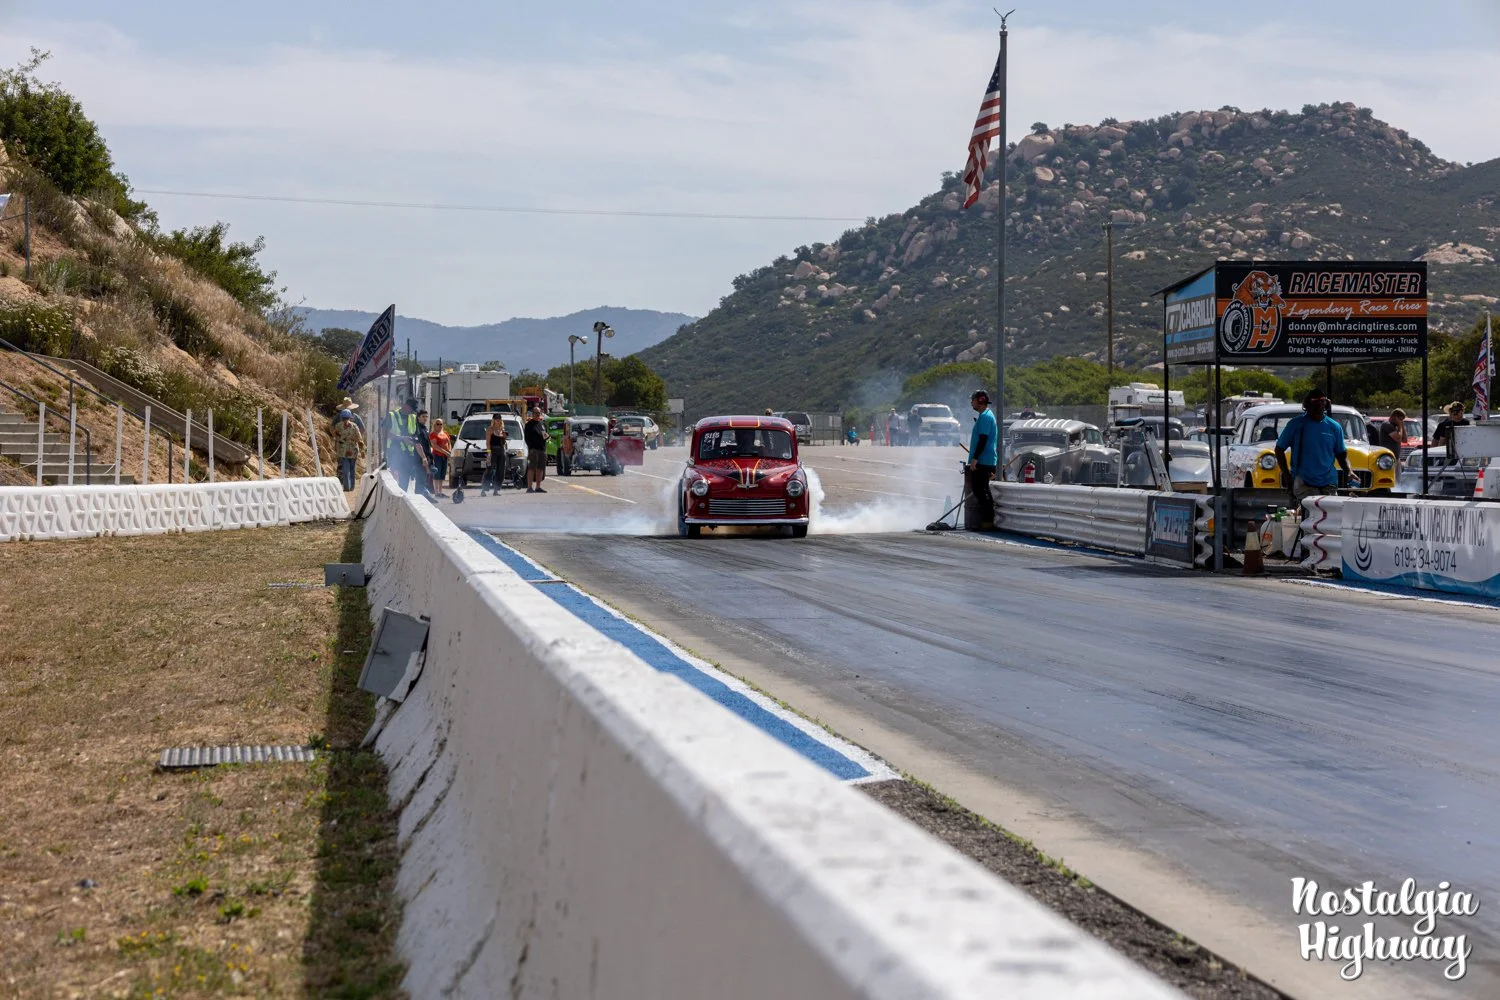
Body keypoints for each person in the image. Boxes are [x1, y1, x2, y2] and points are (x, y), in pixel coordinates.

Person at [1275, 390, 1355, 507]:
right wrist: (1287, 476)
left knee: (1329, 515)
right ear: (1307, 404)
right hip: (1304, 482)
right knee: (1307, 514)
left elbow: (1341, 454)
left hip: (1328, 483)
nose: (1319, 404)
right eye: (1315, 401)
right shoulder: (1295, 424)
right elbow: (1279, 449)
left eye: (1322, 401)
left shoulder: (1335, 427)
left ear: (1326, 404)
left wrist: (1349, 471)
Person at [967, 389, 998, 531]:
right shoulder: (983, 416)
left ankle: (988, 521)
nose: (971, 402)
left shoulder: (985, 417)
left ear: (980, 401)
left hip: (984, 460)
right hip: (984, 459)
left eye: (973, 400)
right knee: (979, 489)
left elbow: (983, 439)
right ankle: (986, 520)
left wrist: (975, 459)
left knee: (981, 490)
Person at [385, 398, 421, 492]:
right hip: (394, 452)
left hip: (408, 454)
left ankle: (402, 496)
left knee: (404, 483)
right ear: (406, 406)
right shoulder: (392, 415)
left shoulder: (413, 417)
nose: (412, 411)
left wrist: (413, 441)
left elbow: (416, 435)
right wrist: (401, 438)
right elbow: (385, 433)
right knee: (394, 481)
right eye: (411, 409)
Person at [334, 409, 363, 491]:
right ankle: (349, 487)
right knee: (349, 469)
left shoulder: (340, 426)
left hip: (348, 451)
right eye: (345, 418)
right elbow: (359, 438)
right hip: (347, 451)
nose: (345, 420)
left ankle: (349, 487)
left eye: (345, 418)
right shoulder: (353, 426)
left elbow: (335, 436)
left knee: (348, 469)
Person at [480, 414, 509, 496]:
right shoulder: (490, 429)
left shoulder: (502, 429)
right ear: (493, 420)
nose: (498, 420)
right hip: (493, 450)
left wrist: (504, 437)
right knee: (489, 469)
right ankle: (484, 489)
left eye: (499, 418)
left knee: (501, 470)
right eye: (496, 418)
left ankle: (496, 489)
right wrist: (489, 453)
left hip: (501, 450)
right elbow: (487, 443)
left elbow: (504, 442)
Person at [524, 408, 549, 493]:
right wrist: (530, 448)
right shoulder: (529, 425)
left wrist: (547, 437)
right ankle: (529, 487)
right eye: (536, 413)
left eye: (539, 412)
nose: (537, 414)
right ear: (532, 414)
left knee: (540, 468)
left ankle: (538, 487)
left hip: (542, 449)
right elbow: (526, 438)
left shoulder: (542, 423)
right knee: (531, 468)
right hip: (533, 450)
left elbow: (545, 434)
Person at [415, 409, 436, 497]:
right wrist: (423, 458)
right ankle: (420, 498)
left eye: (426, 417)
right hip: (420, 459)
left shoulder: (425, 428)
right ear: (418, 417)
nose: (425, 418)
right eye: (423, 416)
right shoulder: (417, 428)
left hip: (427, 457)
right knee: (420, 480)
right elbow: (418, 444)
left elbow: (427, 444)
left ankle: (425, 496)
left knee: (425, 480)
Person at [429, 418, 451, 497]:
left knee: (442, 474)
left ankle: (440, 491)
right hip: (437, 456)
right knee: (437, 474)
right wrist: (446, 452)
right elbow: (435, 446)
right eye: (437, 424)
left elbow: (449, 443)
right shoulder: (433, 434)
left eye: (441, 424)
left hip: (445, 456)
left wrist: (449, 452)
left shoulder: (445, 433)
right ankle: (436, 492)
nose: (439, 425)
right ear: (434, 425)